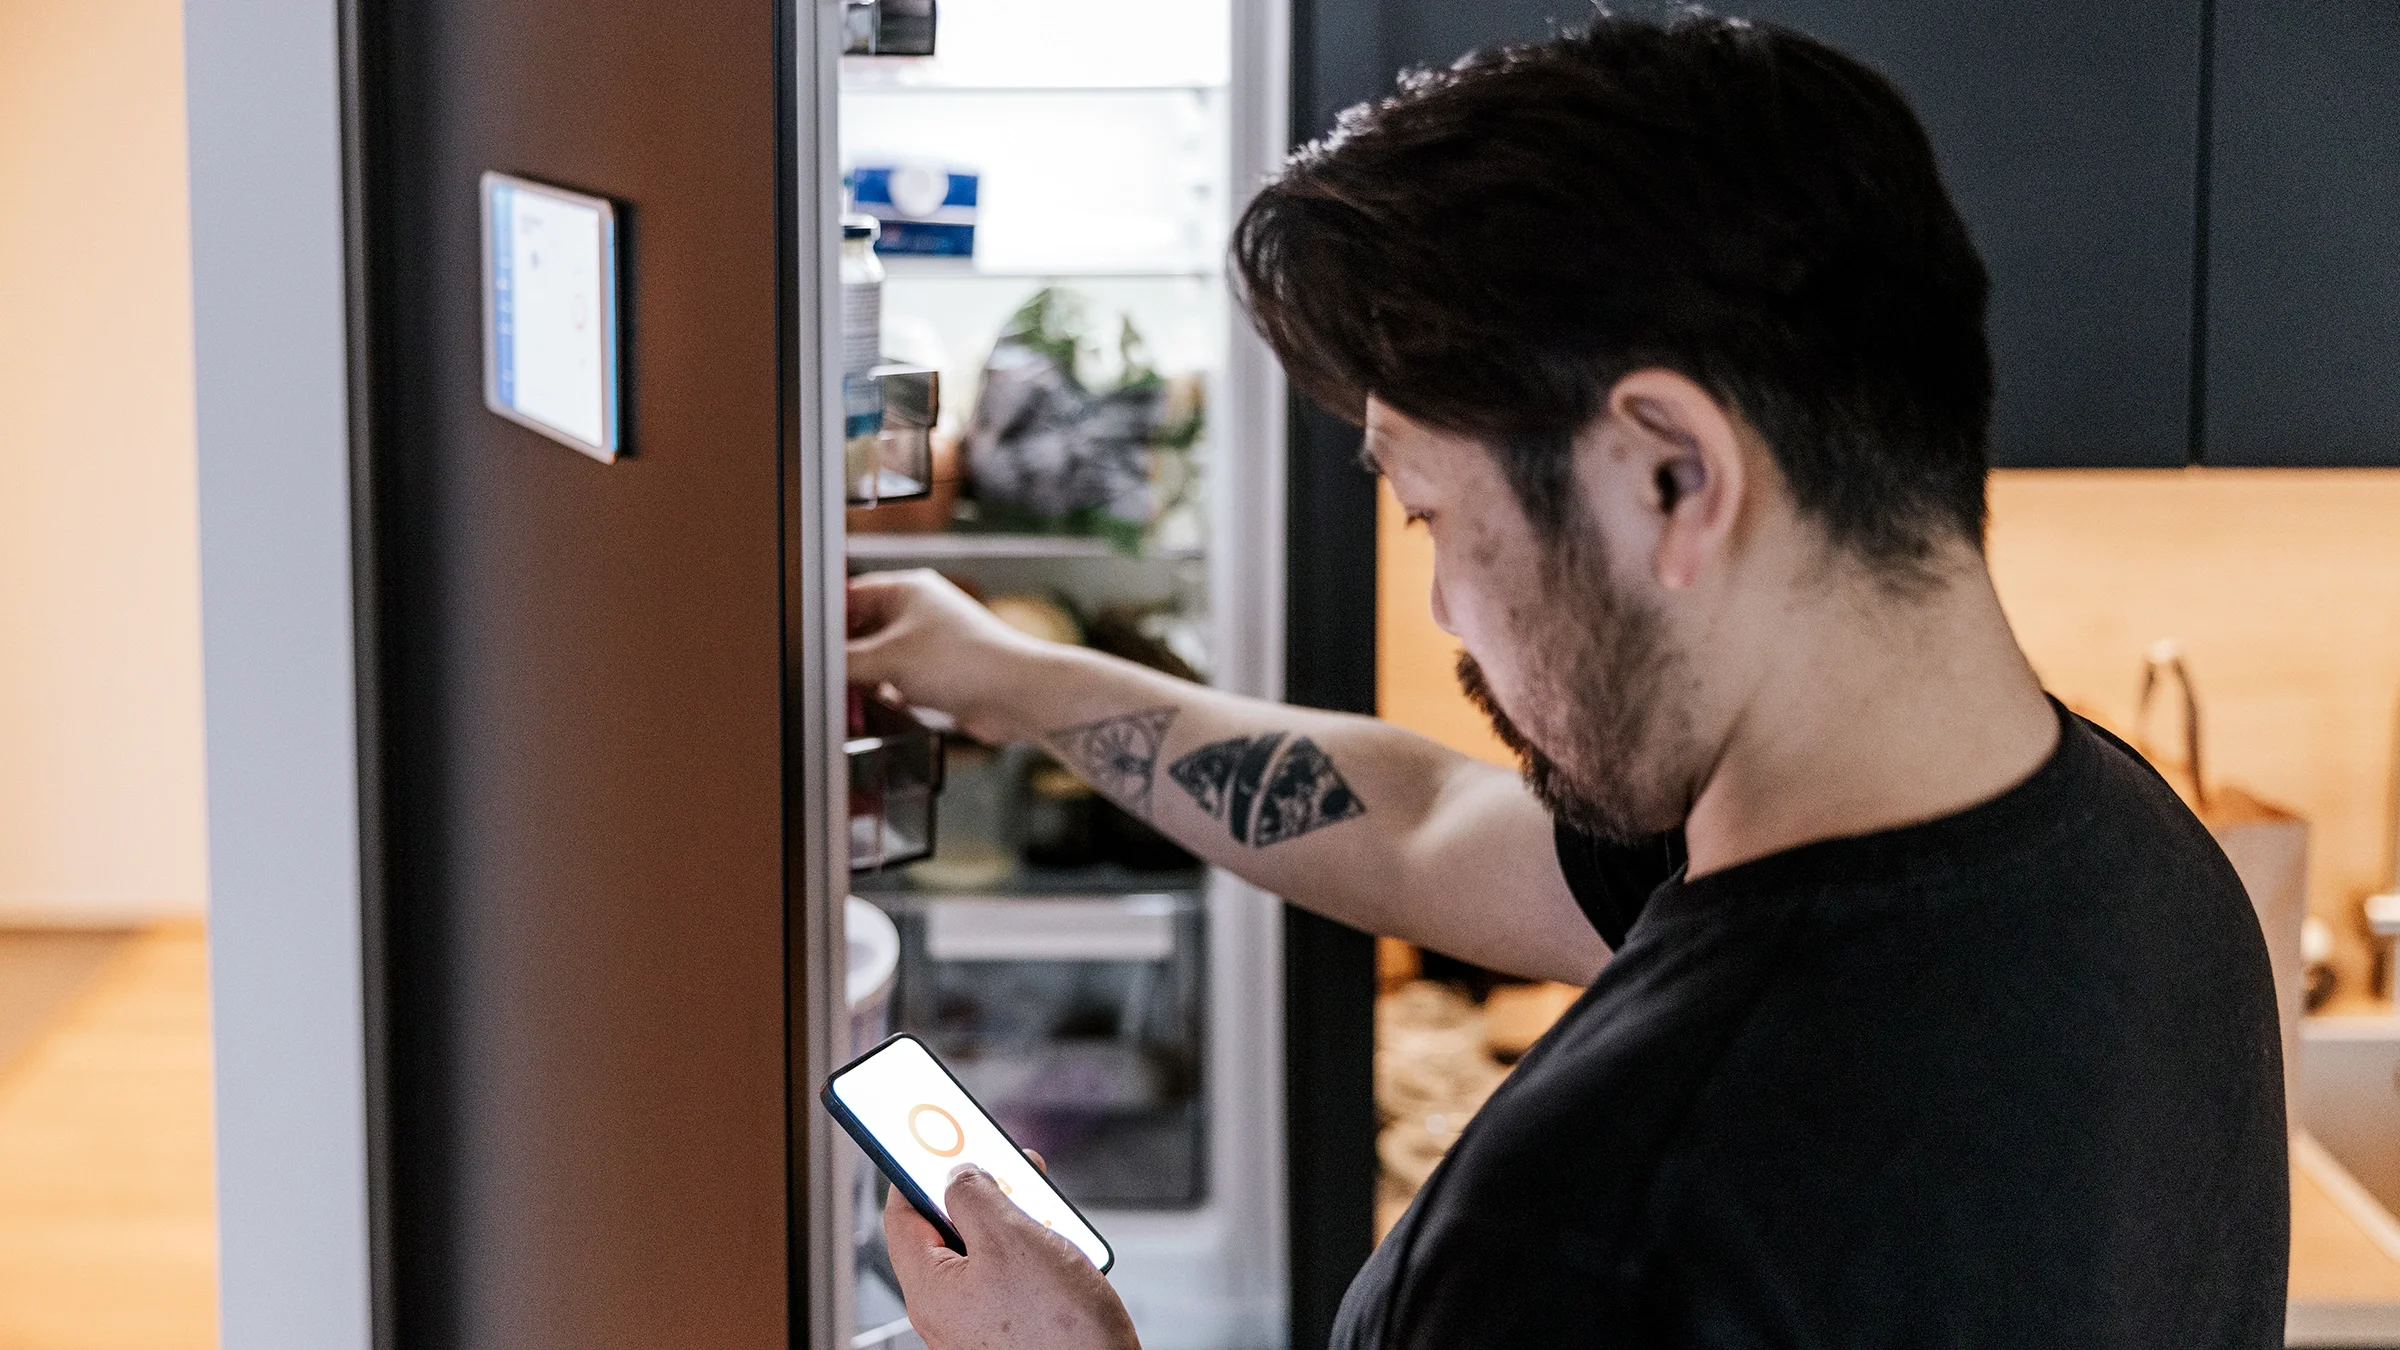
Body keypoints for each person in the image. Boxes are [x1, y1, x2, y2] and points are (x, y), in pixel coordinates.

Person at [845, 12, 2286, 1349]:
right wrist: (1006, 677)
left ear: (1673, 478)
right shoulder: (2135, 864)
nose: (1443, 605)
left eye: (1432, 511)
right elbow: (1423, 830)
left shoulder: (1594, 1229)